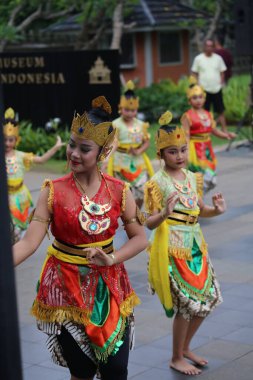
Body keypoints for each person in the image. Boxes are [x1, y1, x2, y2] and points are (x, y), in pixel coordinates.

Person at [13, 96, 148, 380]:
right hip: (64, 289)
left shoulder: (119, 191)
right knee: (82, 370)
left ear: (103, 152)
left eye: (84, 148)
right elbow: (29, 242)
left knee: (116, 369)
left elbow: (139, 238)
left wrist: (111, 257)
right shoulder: (52, 190)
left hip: (108, 289)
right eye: (72, 145)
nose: (74, 153)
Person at [144, 111, 225, 376]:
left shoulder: (191, 177)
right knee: (185, 306)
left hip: (196, 246)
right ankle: (176, 357)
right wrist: (164, 215)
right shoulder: (157, 183)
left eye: (182, 150)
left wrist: (216, 210)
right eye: (172, 152)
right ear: (161, 154)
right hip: (172, 248)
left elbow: (200, 210)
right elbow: (148, 222)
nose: (179, 156)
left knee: (208, 299)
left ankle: (186, 348)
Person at [4, 107, 65, 242]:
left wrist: (55, 148)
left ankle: (14, 247)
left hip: (19, 197)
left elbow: (41, 160)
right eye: (4, 139)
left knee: (16, 228)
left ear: (16, 140)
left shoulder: (22, 156)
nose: (7, 143)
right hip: (5, 195)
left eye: (11, 140)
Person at [107, 80, 154, 208]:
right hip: (120, 161)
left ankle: (136, 212)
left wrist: (139, 151)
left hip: (138, 160)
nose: (130, 113)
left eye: (133, 111)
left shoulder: (141, 124)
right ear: (120, 109)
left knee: (141, 189)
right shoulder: (116, 124)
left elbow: (147, 142)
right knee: (124, 191)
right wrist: (107, 157)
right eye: (126, 110)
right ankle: (128, 214)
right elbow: (113, 142)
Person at [181, 77, 231, 193]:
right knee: (202, 177)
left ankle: (197, 198)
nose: (198, 100)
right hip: (195, 149)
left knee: (209, 179)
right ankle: (197, 200)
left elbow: (213, 130)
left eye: (200, 97)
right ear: (189, 100)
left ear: (204, 98)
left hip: (207, 149)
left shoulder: (208, 114)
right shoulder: (187, 116)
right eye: (194, 98)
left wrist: (225, 135)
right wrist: (186, 152)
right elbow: (186, 136)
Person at [191, 39, 236, 139]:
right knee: (204, 111)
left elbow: (222, 71)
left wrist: (221, 82)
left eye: (211, 46)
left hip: (216, 88)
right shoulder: (199, 59)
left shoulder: (218, 58)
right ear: (204, 47)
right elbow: (194, 73)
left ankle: (224, 130)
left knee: (220, 110)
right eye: (207, 46)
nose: (209, 48)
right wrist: (197, 85)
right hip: (204, 90)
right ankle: (204, 130)